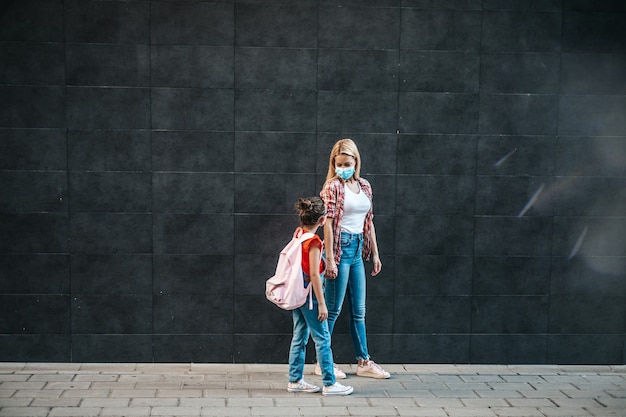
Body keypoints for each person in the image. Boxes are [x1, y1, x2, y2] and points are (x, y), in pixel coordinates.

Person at [318, 138, 390, 379]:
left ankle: (363, 361)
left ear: (356, 161)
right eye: (338, 164)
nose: (343, 168)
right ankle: (322, 361)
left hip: (358, 249)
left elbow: (369, 222)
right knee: (333, 309)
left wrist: (376, 253)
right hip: (340, 250)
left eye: (347, 163)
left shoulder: (365, 186)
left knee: (359, 310)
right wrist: (329, 259)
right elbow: (327, 224)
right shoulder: (332, 186)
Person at [287, 197, 354, 396]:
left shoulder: (299, 234)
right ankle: (329, 383)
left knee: (299, 337)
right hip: (311, 297)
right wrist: (322, 304)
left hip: (299, 293)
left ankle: (295, 379)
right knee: (322, 339)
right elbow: (315, 274)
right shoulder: (314, 242)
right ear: (323, 220)